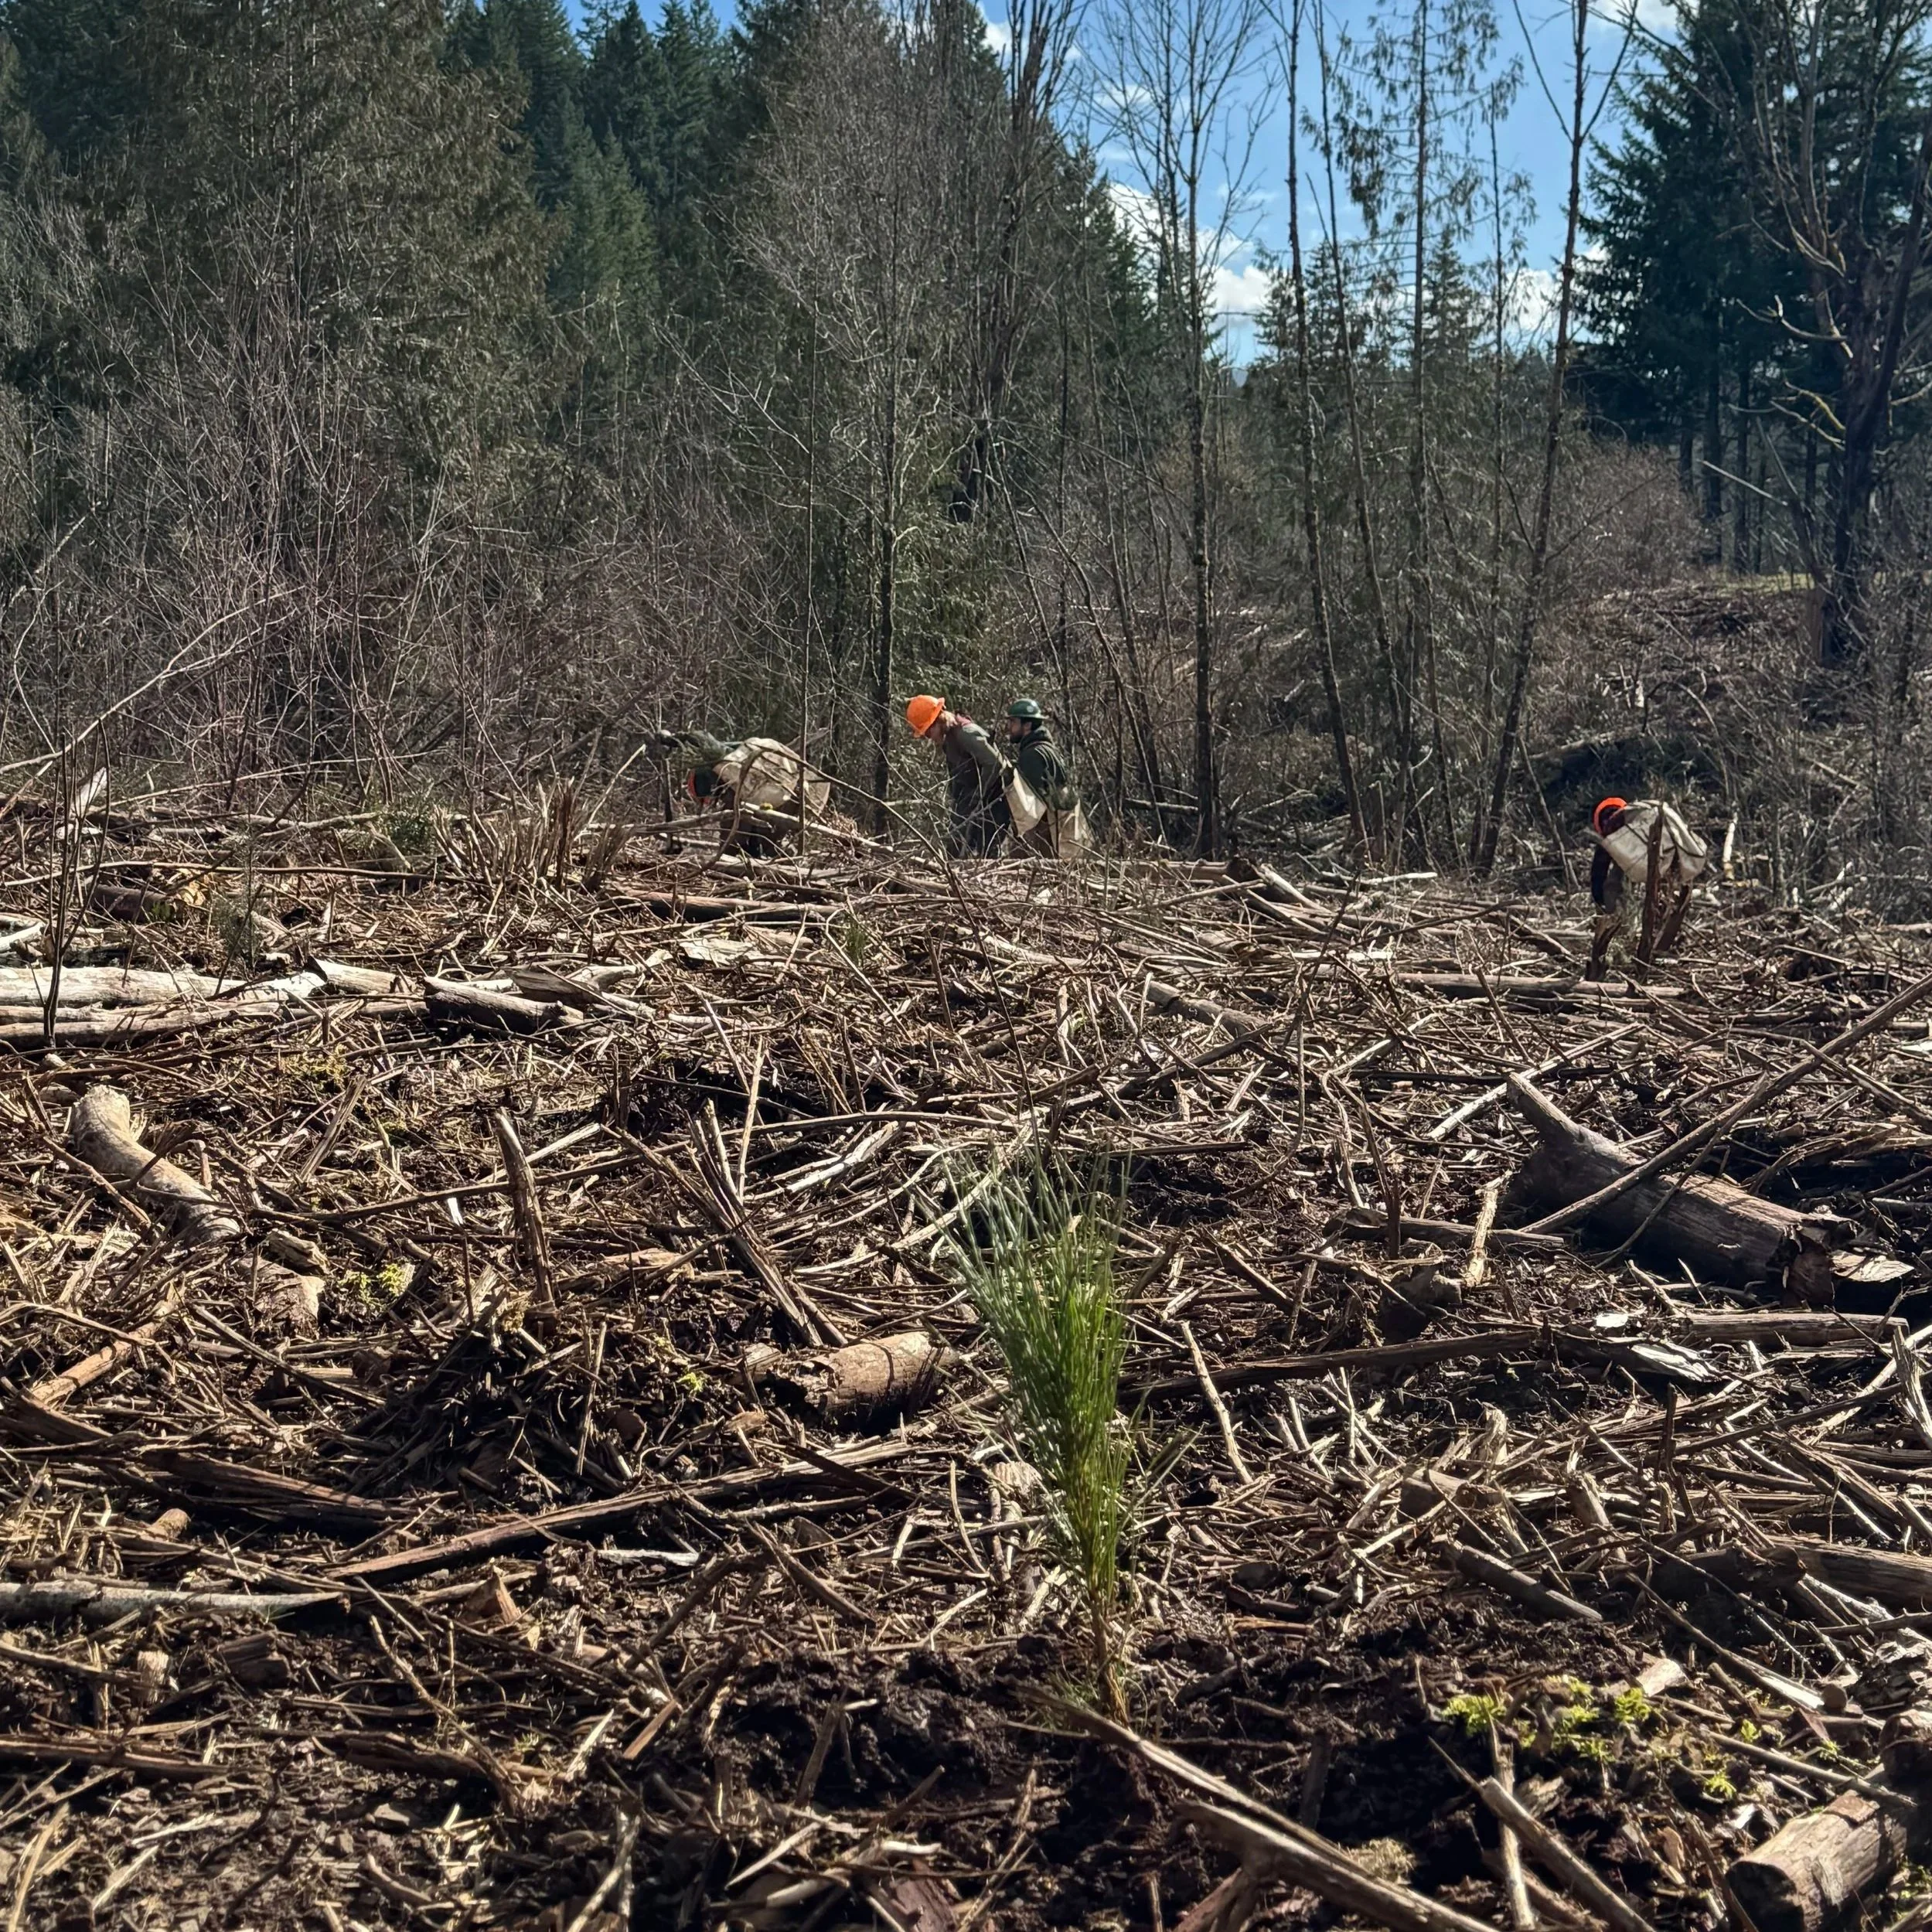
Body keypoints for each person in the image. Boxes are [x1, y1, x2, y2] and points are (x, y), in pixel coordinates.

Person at [1587, 795, 1705, 979]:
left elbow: (1599, 873)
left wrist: (1600, 902)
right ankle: (1634, 943)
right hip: (1657, 873)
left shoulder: (1623, 832)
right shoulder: (1631, 826)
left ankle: (1633, 942)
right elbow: (1600, 873)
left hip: (1656, 874)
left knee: (1619, 892)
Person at [905, 694, 1010, 856]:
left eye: (928, 733)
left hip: (993, 804)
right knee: (956, 849)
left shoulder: (966, 734)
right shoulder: (950, 740)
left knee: (988, 853)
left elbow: (995, 763)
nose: (929, 738)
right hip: (969, 805)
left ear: (938, 721)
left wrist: (978, 796)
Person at [1001, 698, 1085, 856]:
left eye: (1013, 722)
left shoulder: (1032, 754)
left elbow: (1033, 810)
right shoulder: (1045, 749)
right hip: (1059, 833)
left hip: (1046, 837)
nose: (1009, 727)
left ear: (1027, 725)